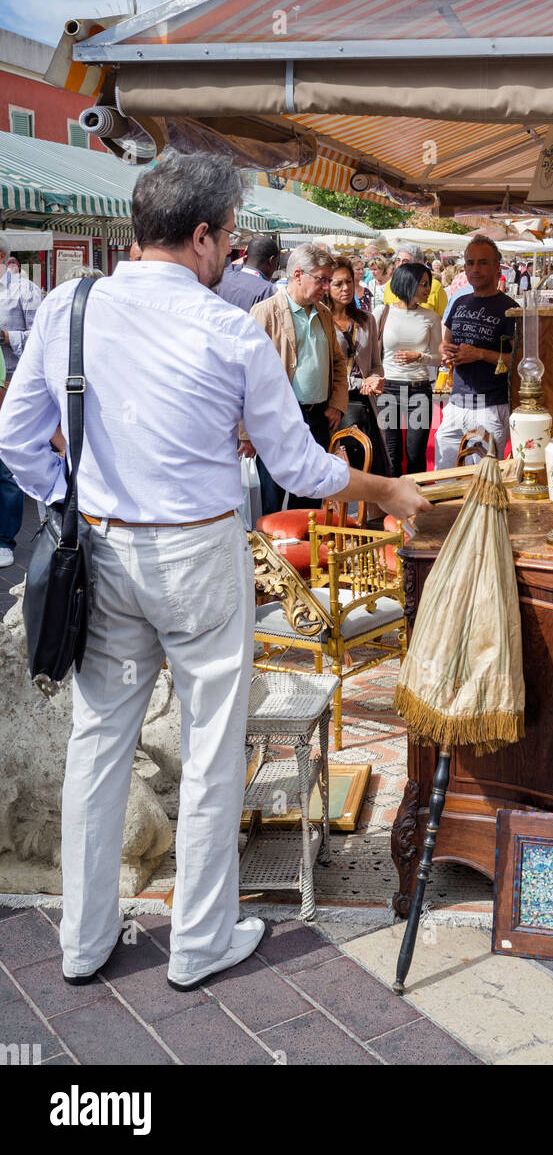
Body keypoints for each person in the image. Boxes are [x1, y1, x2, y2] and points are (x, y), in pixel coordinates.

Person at [0, 150, 428, 992]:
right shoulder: (224, 327)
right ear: (200, 236)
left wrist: (73, 495)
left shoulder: (67, 306)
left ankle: (85, 942)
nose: (230, 257)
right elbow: (301, 471)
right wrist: (385, 487)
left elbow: (17, 436)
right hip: (196, 554)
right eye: (227, 242)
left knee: (100, 743)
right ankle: (196, 941)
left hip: (103, 547)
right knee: (210, 747)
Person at [244, 244, 348, 513]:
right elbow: (246, 373)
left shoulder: (323, 313)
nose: (327, 286)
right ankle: (273, 553)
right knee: (273, 499)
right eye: (322, 279)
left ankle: (307, 552)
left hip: (317, 418)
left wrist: (336, 403)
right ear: (298, 274)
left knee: (311, 498)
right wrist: (246, 433)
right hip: (278, 420)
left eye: (328, 279)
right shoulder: (265, 312)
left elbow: (337, 361)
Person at [435, 236, 517, 469]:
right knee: (445, 475)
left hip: (490, 406)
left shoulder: (510, 309)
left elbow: (520, 360)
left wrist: (480, 354)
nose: (475, 269)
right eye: (470, 263)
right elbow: (445, 342)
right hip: (456, 402)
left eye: (482, 262)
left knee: (485, 481)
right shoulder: (460, 302)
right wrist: (446, 351)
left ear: (497, 267)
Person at [0, 232, 44, 566]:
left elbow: (41, 340)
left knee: (6, 462)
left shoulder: (25, 290)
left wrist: (6, 336)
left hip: (11, 384)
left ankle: (5, 540)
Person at [327, 257, 390, 478]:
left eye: (349, 282)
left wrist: (376, 379)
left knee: (369, 472)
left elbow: (375, 364)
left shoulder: (367, 320)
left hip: (365, 406)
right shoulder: (319, 321)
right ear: (327, 285)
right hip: (333, 407)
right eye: (338, 283)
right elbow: (326, 373)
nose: (345, 288)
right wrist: (361, 382)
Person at [378, 262, 442, 475]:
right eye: (423, 284)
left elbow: (438, 358)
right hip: (388, 389)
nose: (427, 289)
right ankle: (392, 505)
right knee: (391, 454)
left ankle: (416, 504)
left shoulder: (431, 317)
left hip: (419, 389)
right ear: (407, 283)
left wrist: (420, 357)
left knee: (415, 454)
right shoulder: (382, 312)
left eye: (428, 284)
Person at [216, 234, 280, 311]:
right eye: (276, 264)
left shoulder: (222, 277)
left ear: (246, 254)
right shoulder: (267, 291)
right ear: (271, 261)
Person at [383, 244, 448, 316]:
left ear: (417, 264)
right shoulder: (389, 285)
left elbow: (444, 318)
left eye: (405, 261)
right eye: (398, 260)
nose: (400, 264)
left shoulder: (434, 286)